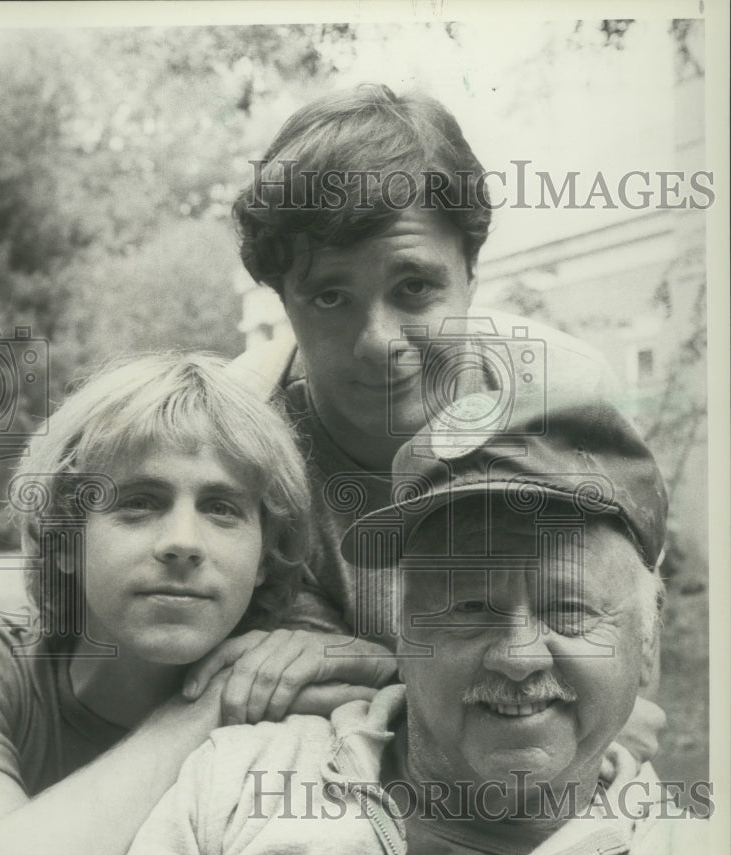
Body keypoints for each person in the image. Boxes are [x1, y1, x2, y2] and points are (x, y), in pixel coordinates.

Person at [38, 397, 707, 855]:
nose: (519, 655)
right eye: (468, 608)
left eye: (571, 611)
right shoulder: (236, 780)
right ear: (402, 631)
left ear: (647, 645)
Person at [186, 83, 664, 750]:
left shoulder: (565, 395)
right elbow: (251, 690)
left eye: (414, 286)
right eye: (329, 296)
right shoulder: (238, 435)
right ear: (282, 303)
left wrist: (365, 664)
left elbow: (625, 677)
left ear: (470, 270)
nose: (378, 340)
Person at [0, 350, 383, 855]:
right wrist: (194, 717)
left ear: (265, 558)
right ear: (66, 540)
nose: (182, 542)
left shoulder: (293, 699)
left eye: (222, 508)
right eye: (140, 503)